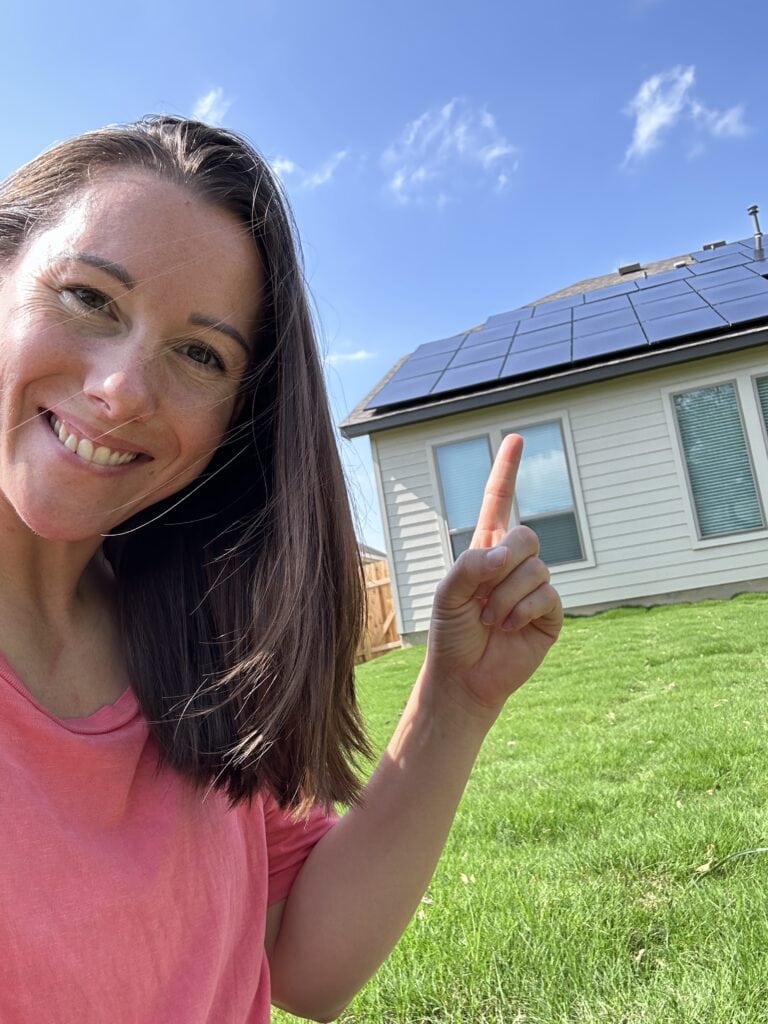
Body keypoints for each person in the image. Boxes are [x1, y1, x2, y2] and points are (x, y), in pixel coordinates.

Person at [0, 115, 563, 1023]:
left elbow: (302, 963)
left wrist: (458, 703)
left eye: (199, 354)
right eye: (90, 299)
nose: (122, 390)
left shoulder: (197, 636)